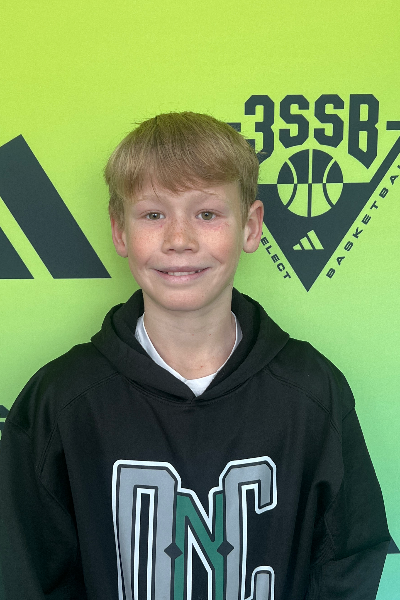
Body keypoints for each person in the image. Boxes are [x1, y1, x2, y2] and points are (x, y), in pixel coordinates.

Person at [0, 112, 390, 600]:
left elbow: (349, 558)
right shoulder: (60, 401)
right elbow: (26, 570)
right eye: (153, 215)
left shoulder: (312, 391)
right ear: (119, 230)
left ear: (251, 227)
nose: (179, 240)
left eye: (206, 214)